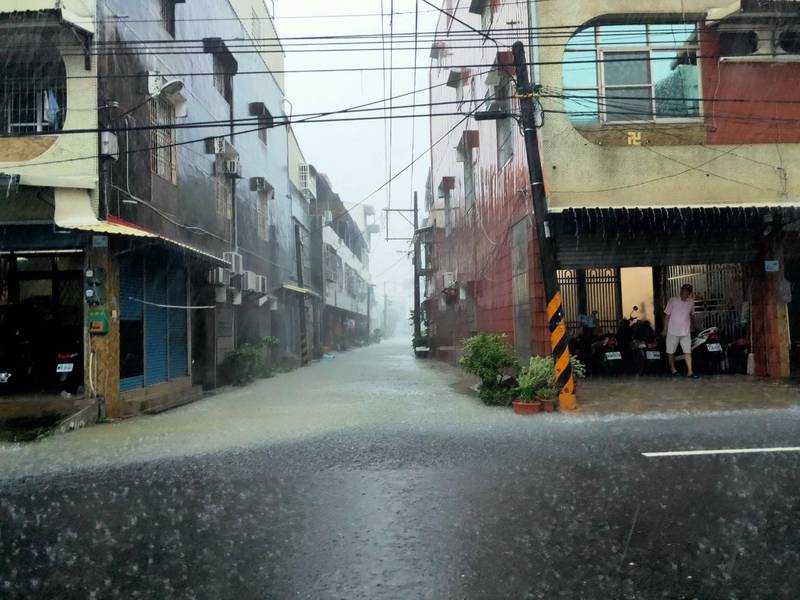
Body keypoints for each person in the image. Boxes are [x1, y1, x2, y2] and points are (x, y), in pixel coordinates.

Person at [664, 283, 697, 378]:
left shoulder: (691, 302)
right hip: (672, 331)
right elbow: (667, 316)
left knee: (688, 351)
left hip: (685, 331)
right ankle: (673, 369)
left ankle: (690, 372)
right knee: (670, 352)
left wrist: (695, 326)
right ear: (680, 291)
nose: (684, 294)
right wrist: (665, 329)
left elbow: (692, 315)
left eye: (686, 292)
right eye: (683, 291)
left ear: (689, 294)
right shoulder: (673, 300)